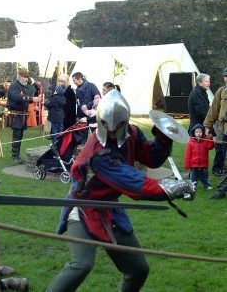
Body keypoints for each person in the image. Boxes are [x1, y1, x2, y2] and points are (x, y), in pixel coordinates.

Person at [46, 89, 195, 292]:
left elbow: (150, 158)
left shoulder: (131, 134)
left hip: (110, 208)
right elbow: (134, 183)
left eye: (118, 124)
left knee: (138, 269)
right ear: (99, 120)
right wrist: (172, 188)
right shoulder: (99, 154)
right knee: (82, 265)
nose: (112, 128)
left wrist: (163, 138)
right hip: (83, 208)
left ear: (125, 121)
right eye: (106, 123)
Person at [6, 69, 41, 164]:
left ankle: (17, 155)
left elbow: (28, 98)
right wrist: (31, 98)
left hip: (22, 114)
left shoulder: (25, 87)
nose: (26, 79)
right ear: (19, 76)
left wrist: (34, 99)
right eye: (24, 77)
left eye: (27, 77)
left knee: (20, 135)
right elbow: (17, 98)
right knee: (17, 134)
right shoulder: (14, 86)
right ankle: (15, 156)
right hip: (16, 114)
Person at [204, 67, 227, 199]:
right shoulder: (221, 91)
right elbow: (214, 109)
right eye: (226, 75)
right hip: (224, 132)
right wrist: (207, 125)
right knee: (225, 162)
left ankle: (220, 192)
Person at [72, 72, 101, 144]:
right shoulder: (77, 90)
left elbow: (98, 99)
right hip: (82, 115)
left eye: (74, 80)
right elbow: (78, 104)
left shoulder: (92, 86)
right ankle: (83, 147)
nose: (73, 82)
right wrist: (78, 115)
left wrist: (87, 106)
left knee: (95, 134)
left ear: (79, 79)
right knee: (82, 135)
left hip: (92, 114)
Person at [184, 123, 214, 190]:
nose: (198, 133)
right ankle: (193, 185)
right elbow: (187, 155)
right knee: (193, 176)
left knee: (205, 176)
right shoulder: (190, 143)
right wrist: (187, 164)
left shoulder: (205, 141)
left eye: (200, 132)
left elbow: (210, 147)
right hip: (194, 164)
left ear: (203, 133)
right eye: (196, 132)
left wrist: (210, 138)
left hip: (204, 163)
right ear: (194, 133)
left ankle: (206, 185)